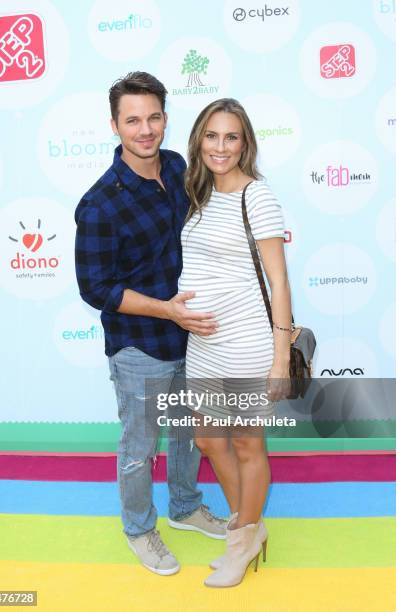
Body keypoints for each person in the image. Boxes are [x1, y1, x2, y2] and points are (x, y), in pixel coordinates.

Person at [74, 72, 227, 577]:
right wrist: (167, 310)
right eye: (133, 119)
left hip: (193, 336)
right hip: (140, 345)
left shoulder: (179, 166)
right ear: (115, 125)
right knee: (140, 447)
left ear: (165, 118)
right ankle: (140, 529)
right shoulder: (100, 204)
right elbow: (97, 289)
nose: (145, 129)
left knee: (186, 432)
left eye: (154, 117)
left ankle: (185, 507)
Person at [179, 98, 292, 587]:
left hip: (246, 345)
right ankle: (248, 528)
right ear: (198, 141)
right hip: (201, 346)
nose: (220, 147)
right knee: (208, 440)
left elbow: (280, 282)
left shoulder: (257, 196)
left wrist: (281, 357)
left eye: (231, 137)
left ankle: (241, 543)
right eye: (211, 136)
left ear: (245, 143)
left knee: (247, 446)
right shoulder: (198, 195)